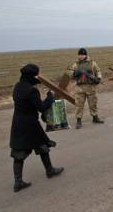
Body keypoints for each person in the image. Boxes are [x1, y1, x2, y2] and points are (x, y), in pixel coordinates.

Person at [10, 64, 64, 192]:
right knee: (42, 146)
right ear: (31, 76)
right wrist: (50, 98)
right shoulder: (31, 90)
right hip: (30, 123)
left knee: (19, 152)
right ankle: (50, 170)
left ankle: (18, 182)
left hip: (17, 122)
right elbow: (41, 107)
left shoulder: (17, 87)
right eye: (36, 75)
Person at [70, 48, 104, 129]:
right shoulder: (75, 64)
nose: (81, 56)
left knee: (93, 103)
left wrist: (98, 78)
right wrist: (75, 73)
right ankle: (78, 121)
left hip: (90, 86)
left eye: (82, 55)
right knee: (79, 105)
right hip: (79, 87)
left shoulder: (92, 63)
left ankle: (95, 117)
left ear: (86, 55)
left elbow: (98, 71)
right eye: (80, 55)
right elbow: (70, 74)